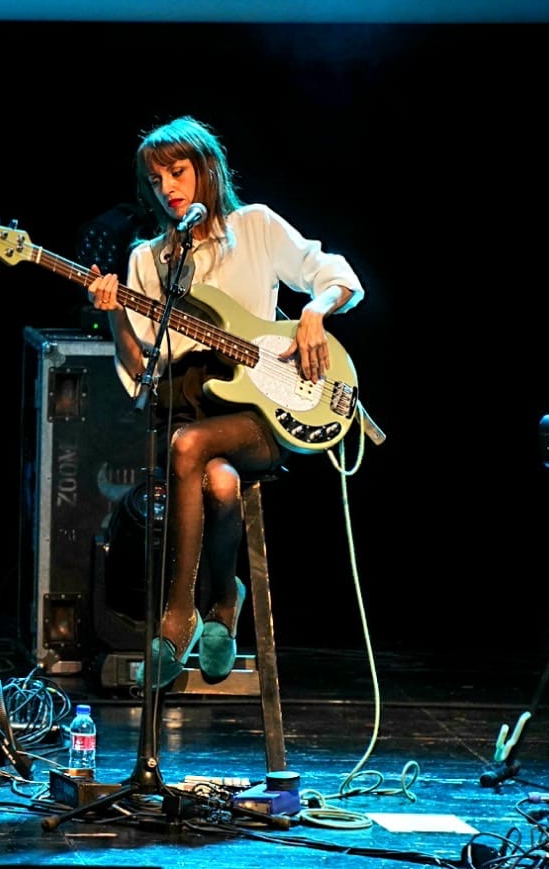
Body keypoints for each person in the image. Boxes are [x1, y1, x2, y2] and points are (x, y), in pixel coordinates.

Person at [85, 116, 364, 689]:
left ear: (207, 169)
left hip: (261, 413)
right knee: (216, 477)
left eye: (177, 172)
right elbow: (141, 370)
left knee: (191, 447)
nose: (167, 187)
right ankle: (224, 600)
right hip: (190, 404)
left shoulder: (255, 226)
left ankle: (177, 617)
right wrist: (113, 312)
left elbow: (336, 274)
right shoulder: (148, 260)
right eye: (156, 179)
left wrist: (314, 312)